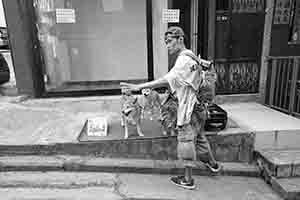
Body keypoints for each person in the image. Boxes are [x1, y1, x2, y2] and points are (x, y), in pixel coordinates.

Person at [120, 26, 221, 190]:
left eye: (169, 41)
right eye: (166, 42)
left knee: (186, 140)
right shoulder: (192, 57)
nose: (167, 46)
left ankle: (188, 180)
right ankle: (213, 164)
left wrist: (138, 87)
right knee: (200, 138)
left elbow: (166, 80)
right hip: (199, 107)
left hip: (188, 109)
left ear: (180, 39)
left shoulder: (183, 60)